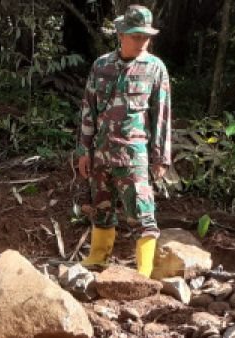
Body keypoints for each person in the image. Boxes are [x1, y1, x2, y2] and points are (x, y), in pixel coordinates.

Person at [75, 5, 172, 278]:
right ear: (121, 35)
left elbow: (161, 117)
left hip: (134, 155)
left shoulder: (155, 68)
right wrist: (84, 149)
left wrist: (160, 158)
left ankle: (144, 272)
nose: (142, 42)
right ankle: (97, 259)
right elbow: (88, 109)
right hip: (101, 153)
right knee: (101, 209)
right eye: (136, 36)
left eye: (146, 37)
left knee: (143, 214)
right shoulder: (101, 66)